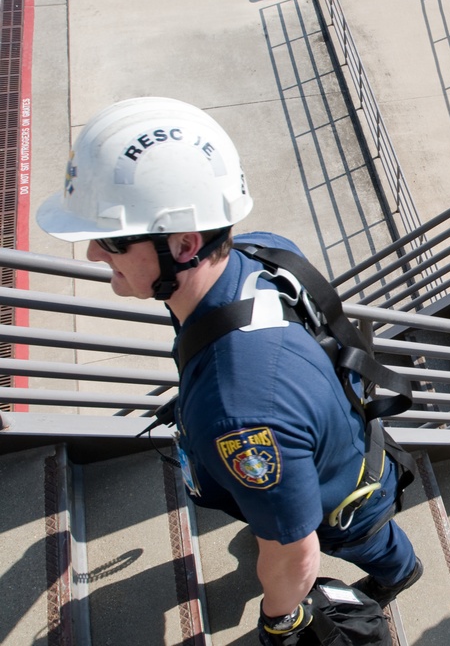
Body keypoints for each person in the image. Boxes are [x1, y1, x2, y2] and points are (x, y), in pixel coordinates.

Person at [36, 97, 422, 644]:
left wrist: (282, 623)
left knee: (370, 543)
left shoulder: (240, 413)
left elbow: (295, 553)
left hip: (345, 499)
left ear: (184, 245)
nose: (96, 255)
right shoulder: (264, 254)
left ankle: (400, 573)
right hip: (337, 442)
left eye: (111, 240)